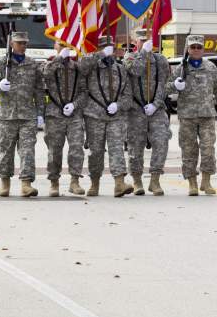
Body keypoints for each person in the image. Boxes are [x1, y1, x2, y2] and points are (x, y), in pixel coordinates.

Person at [168, 34, 217, 196]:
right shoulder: (181, 68)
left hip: (207, 115)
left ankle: (206, 181)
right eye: (192, 47)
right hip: (187, 116)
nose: (195, 50)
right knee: (188, 150)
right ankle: (192, 183)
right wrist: (175, 85)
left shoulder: (211, 67)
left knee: (208, 149)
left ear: (203, 49)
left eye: (198, 47)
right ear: (188, 49)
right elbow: (166, 88)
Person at [0, 32, 45, 197]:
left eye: (25, 43)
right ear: (12, 44)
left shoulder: (32, 64)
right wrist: (0, 85)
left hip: (28, 115)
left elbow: (39, 90)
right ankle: (4, 183)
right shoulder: (2, 62)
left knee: (27, 150)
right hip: (7, 115)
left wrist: (40, 113)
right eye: (19, 43)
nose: (23, 46)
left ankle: (26, 184)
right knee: (6, 151)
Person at [79, 37, 134, 197]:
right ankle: (94, 183)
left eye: (111, 47)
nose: (109, 50)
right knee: (96, 152)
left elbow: (128, 96)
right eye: (105, 47)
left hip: (115, 116)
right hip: (94, 115)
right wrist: (99, 54)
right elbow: (81, 66)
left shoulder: (120, 69)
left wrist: (119, 105)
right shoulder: (91, 67)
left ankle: (119, 183)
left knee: (117, 149)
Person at [123, 29, 170, 196]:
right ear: (136, 43)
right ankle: (137, 180)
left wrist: (156, 104)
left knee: (162, 141)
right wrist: (143, 53)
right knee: (135, 147)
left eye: (146, 40)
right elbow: (135, 70)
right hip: (136, 110)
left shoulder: (161, 60)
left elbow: (163, 83)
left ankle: (155, 180)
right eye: (141, 40)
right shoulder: (129, 58)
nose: (144, 42)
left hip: (156, 110)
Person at [42, 41, 87, 197]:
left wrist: (75, 105)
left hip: (73, 115)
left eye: (67, 44)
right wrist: (59, 59)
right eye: (61, 44)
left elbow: (83, 91)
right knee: (54, 151)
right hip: (54, 114)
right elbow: (45, 74)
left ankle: (75, 181)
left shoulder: (76, 67)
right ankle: (54, 182)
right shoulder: (50, 64)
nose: (64, 47)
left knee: (76, 147)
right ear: (55, 46)